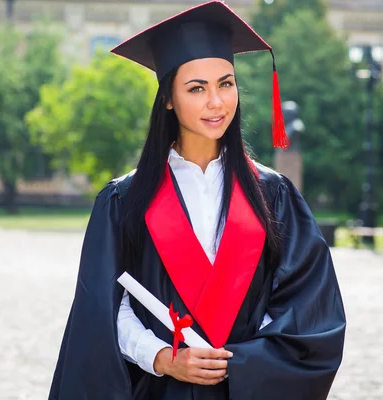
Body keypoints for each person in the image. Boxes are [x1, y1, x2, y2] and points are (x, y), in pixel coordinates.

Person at [48, 1, 346, 399]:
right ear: (168, 98)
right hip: (159, 389)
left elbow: (307, 307)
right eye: (196, 88)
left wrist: (244, 361)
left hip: (247, 388)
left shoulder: (272, 194)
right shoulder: (125, 199)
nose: (216, 102)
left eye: (225, 83)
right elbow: (102, 310)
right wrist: (160, 356)